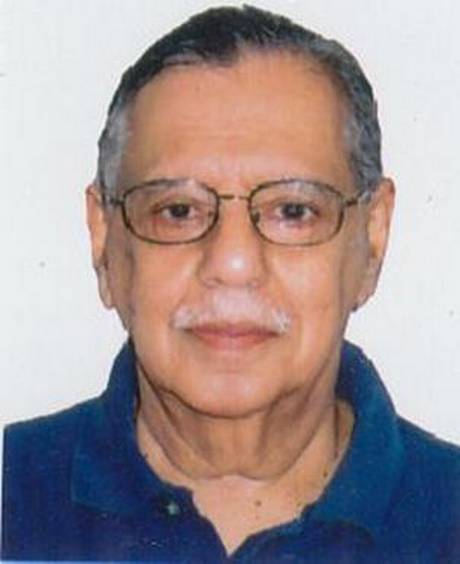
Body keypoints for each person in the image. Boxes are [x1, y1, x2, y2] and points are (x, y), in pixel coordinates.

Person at [2, 5, 459, 562]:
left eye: (293, 210)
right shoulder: (13, 494)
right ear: (104, 242)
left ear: (372, 239)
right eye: (177, 211)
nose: (234, 263)